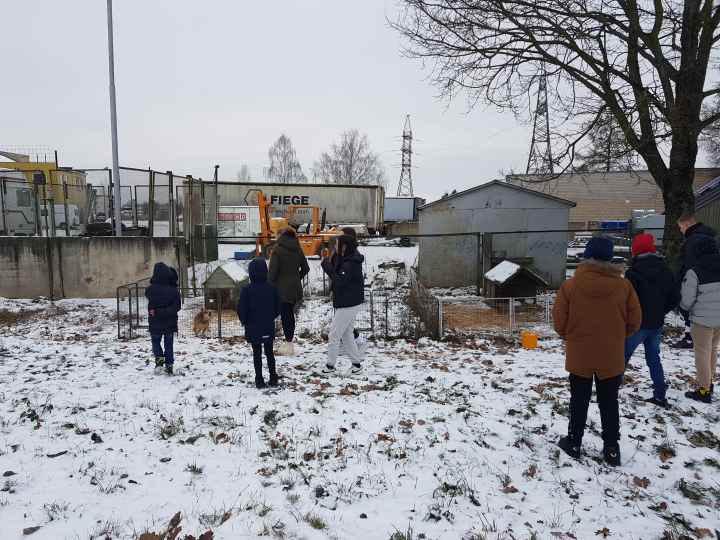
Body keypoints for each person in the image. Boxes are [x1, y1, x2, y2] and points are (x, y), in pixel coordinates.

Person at [553, 237, 641, 466]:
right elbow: (635, 321)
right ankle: (612, 449)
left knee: (578, 399)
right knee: (609, 401)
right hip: (611, 355)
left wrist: (571, 336)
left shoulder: (570, 286)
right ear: (610, 258)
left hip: (579, 354)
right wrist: (616, 336)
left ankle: (574, 442)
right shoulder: (624, 287)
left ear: (586, 257)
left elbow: (559, 323)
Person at [624, 233, 680, 407]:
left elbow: (627, 301)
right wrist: (660, 311)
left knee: (622, 357)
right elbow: (675, 298)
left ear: (635, 251)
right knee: (654, 358)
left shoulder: (632, 273)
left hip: (637, 325)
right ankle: (660, 395)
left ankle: (609, 392)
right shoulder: (666, 271)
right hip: (656, 324)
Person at [679, 236, 720, 403]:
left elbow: (687, 300)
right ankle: (708, 383)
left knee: (702, 353)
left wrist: (683, 309)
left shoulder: (694, 271)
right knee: (713, 349)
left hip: (702, 321)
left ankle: (703, 390)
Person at [321, 234, 365, 374]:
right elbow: (338, 269)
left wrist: (326, 265)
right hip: (350, 302)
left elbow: (339, 280)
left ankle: (330, 366)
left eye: (337, 244)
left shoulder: (350, 263)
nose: (335, 246)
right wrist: (329, 259)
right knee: (346, 334)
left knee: (334, 335)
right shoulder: (348, 258)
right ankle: (356, 365)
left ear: (344, 246)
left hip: (348, 303)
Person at [673, 214, 718, 349]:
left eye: (681, 227)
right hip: (712, 280)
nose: (681, 230)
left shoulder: (693, 241)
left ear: (687, 225)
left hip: (696, 280)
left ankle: (690, 337)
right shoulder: (711, 237)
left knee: (690, 307)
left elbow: (689, 263)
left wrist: (682, 280)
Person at [237, 258, 281, 389]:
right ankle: (273, 378)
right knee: (269, 353)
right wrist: (270, 317)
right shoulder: (272, 288)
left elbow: (241, 309)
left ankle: (259, 380)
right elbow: (278, 307)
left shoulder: (247, 290)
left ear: (250, 272)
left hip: (253, 327)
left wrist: (245, 321)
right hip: (267, 326)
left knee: (257, 354)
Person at [268, 227, 310, 356]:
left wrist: (269, 286)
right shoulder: (297, 248)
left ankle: (288, 345)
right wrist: (296, 278)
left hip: (282, 289)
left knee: (285, 315)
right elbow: (306, 268)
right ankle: (289, 343)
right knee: (289, 315)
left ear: (281, 236)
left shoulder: (277, 250)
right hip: (295, 288)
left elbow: (272, 273)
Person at [145, 262, 182, 375]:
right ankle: (169, 365)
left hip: (154, 321)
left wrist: (157, 311)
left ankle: (159, 362)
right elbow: (177, 307)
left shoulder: (150, 290)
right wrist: (164, 311)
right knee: (168, 344)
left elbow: (150, 303)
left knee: (156, 343)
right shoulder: (174, 290)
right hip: (170, 322)